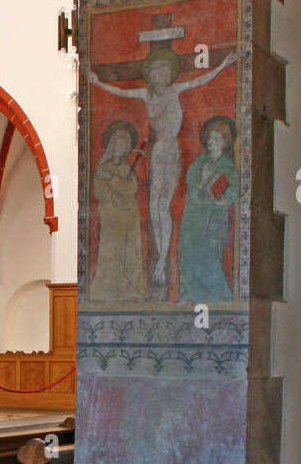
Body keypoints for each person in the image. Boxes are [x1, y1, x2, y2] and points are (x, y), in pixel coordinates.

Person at [88, 45, 239, 285]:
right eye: (157, 72)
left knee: (164, 205)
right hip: (158, 152)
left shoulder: (176, 89)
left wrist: (222, 66)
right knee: (153, 206)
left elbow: (200, 80)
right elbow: (121, 92)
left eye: (165, 72)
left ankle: (162, 261)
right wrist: (97, 83)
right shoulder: (144, 94)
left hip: (172, 152)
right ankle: (160, 256)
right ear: (150, 75)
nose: (161, 76)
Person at [178, 116, 240, 302]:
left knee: (209, 254)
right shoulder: (201, 160)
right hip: (194, 215)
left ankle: (217, 294)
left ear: (225, 143)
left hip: (212, 218)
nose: (212, 142)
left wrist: (223, 200)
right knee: (189, 251)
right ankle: (189, 293)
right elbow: (190, 177)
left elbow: (235, 187)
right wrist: (200, 187)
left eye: (217, 139)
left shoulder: (227, 164)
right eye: (210, 138)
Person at [89, 121, 145, 302]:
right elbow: (101, 193)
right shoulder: (102, 169)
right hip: (111, 220)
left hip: (128, 219)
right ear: (112, 145)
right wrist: (118, 186)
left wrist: (113, 181)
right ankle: (105, 291)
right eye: (118, 144)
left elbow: (131, 189)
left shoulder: (125, 169)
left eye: (124, 145)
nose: (120, 148)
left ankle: (128, 291)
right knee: (110, 253)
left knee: (128, 253)